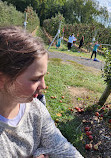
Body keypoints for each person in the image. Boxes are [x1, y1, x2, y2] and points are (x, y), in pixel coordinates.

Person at [0, 26, 84, 158]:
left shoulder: (36, 108)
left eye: (44, 76)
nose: (44, 86)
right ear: (2, 79)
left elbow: (62, 148)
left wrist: (40, 152)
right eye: (35, 79)